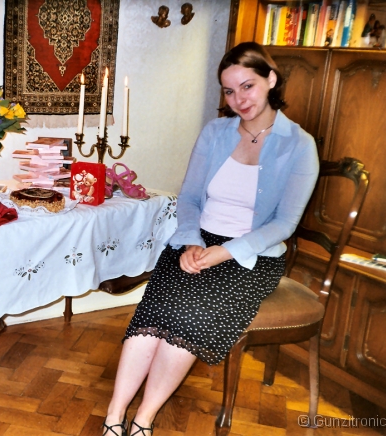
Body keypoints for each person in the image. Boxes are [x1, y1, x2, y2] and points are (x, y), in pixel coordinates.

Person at [102, 42, 319, 436]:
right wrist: (190, 242)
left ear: (271, 79)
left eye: (248, 86)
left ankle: (143, 420)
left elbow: (285, 223)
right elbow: (188, 198)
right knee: (155, 309)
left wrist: (226, 252)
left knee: (190, 314)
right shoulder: (215, 132)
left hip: (253, 255)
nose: (239, 99)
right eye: (229, 91)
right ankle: (114, 418)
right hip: (196, 242)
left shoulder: (299, 145)